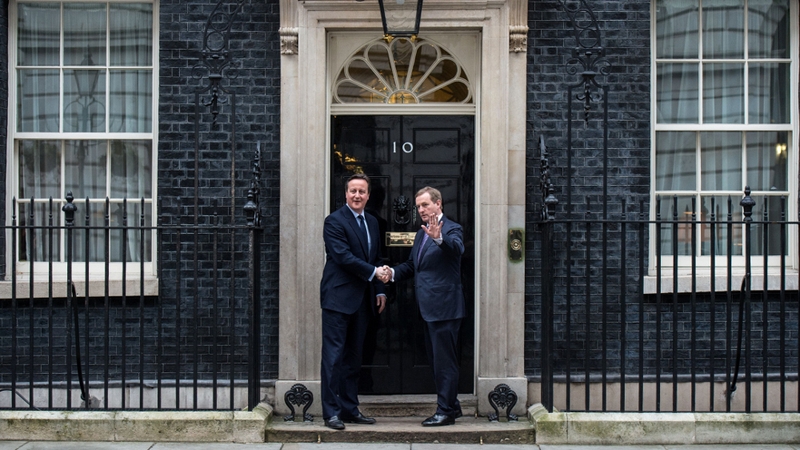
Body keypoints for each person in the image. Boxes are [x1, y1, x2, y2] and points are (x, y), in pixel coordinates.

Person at [379, 186, 465, 426]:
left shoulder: (451, 228)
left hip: (445, 308)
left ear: (439, 204)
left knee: (444, 362)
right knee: (438, 361)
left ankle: (445, 412)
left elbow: (456, 249)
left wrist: (439, 238)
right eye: (418, 206)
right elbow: (412, 265)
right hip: (428, 308)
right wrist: (392, 272)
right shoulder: (421, 234)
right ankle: (453, 405)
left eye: (425, 205)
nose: (421, 210)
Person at [320, 173, 388, 430]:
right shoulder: (334, 221)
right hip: (338, 298)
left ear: (368, 195)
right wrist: (373, 273)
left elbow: (376, 257)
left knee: (353, 358)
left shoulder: (372, 222)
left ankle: (349, 409)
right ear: (345, 194)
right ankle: (331, 412)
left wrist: (379, 289)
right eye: (353, 191)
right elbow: (343, 257)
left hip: (363, 299)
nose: (357, 195)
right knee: (333, 358)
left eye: (362, 191)